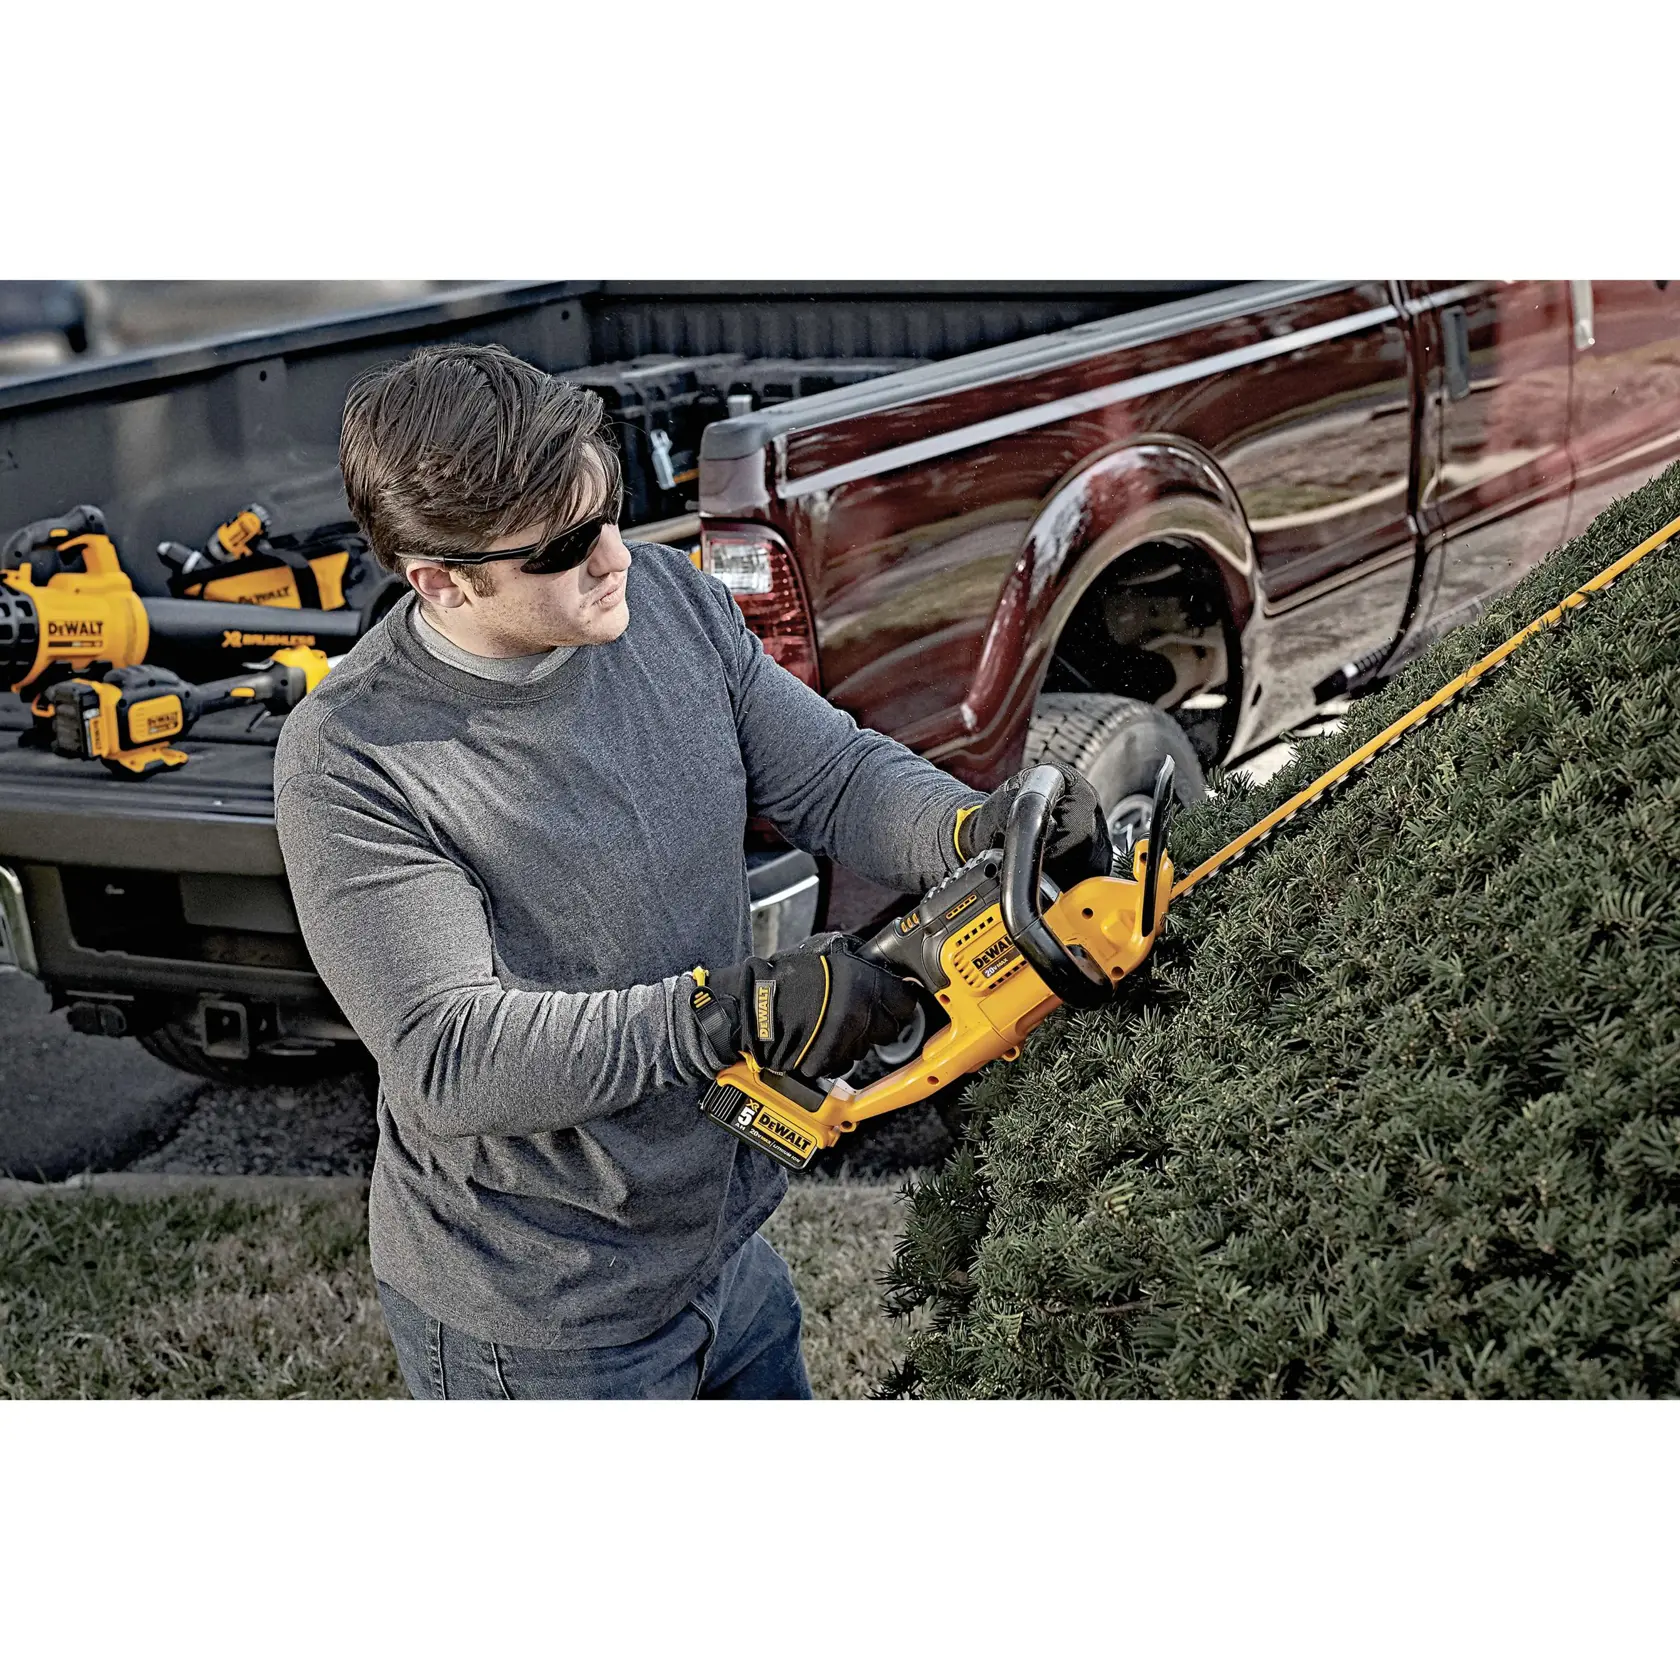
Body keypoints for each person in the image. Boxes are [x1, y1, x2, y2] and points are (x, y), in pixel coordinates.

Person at [274, 342, 1112, 1400]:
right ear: (439, 580)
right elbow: (452, 1055)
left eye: (612, 510)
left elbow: (835, 777)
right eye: (564, 547)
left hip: (721, 1248)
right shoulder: (356, 759)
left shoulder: (669, 602)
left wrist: (972, 830)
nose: (613, 557)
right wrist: (731, 1013)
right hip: (546, 1312)